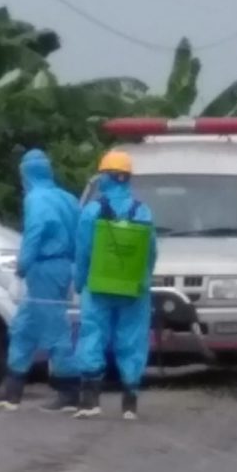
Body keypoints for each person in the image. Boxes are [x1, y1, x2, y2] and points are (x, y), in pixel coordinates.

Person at [0, 149, 80, 412]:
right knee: (23, 327)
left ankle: (69, 389)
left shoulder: (35, 200)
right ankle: (12, 389)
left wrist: (21, 270)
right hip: (63, 267)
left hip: (43, 268)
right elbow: (81, 235)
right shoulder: (68, 198)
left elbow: (33, 237)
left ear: (26, 174)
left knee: (54, 329)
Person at [72, 150, 157, 419]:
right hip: (133, 287)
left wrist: (79, 282)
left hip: (98, 285)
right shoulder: (142, 211)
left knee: (92, 334)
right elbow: (151, 252)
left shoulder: (92, 212)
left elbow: (83, 251)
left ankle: (90, 401)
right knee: (132, 338)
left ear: (105, 177)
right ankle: (129, 403)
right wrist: (142, 279)